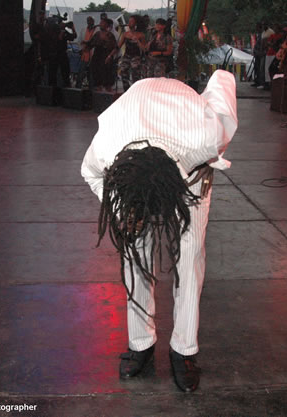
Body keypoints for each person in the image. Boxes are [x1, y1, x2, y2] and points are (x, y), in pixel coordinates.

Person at [81, 69, 238, 393]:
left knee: (190, 259)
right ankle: (141, 343)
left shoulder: (206, 138)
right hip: (136, 137)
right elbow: (90, 173)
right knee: (134, 254)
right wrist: (125, 211)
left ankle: (184, 350)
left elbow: (223, 86)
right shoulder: (108, 147)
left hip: (191, 177)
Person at [84, 18, 118, 92]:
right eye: (100, 22)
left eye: (102, 22)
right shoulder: (97, 34)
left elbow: (115, 48)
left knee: (107, 80)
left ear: (107, 25)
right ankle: (99, 96)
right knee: (97, 80)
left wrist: (109, 56)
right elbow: (90, 45)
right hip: (97, 57)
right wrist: (84, 48)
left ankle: (109, 98)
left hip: (106, 57)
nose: (100, 24)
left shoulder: (110, 35)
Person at [118, 15, 146, 91]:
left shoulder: (141, 35)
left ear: (136, 23)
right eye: (129, 21)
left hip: (136, 57)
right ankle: (126, 91)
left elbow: (144, 49)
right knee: (124, 73)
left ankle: (135, 91)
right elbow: (119, 46)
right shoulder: (125, 34)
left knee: (135, 75)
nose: (129, 23)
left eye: (131, 21)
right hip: (127, 56)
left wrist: (138, 42)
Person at [76, 16, 98, 89]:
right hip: (84, 55)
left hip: (92, 56)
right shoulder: (83, 29)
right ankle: (78, 88)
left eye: (90, 21)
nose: (89, 22)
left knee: (91, 74)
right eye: (88, 20)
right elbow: (79, 41)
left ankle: (91, 89)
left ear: (93, 21)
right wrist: (80, 49)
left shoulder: (97, 30)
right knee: (81, 73)